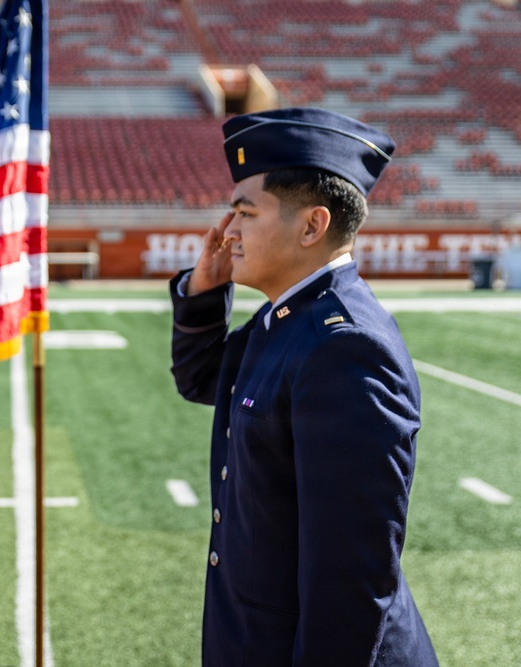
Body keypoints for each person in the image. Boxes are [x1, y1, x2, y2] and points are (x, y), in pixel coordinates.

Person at [169, 107, 438, 666]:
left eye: (245, 212)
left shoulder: (343, 346)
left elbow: (349, 580)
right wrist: (204, 291)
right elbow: (202, 380)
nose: (228, 230)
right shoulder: (288, 319)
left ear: (312, 226)